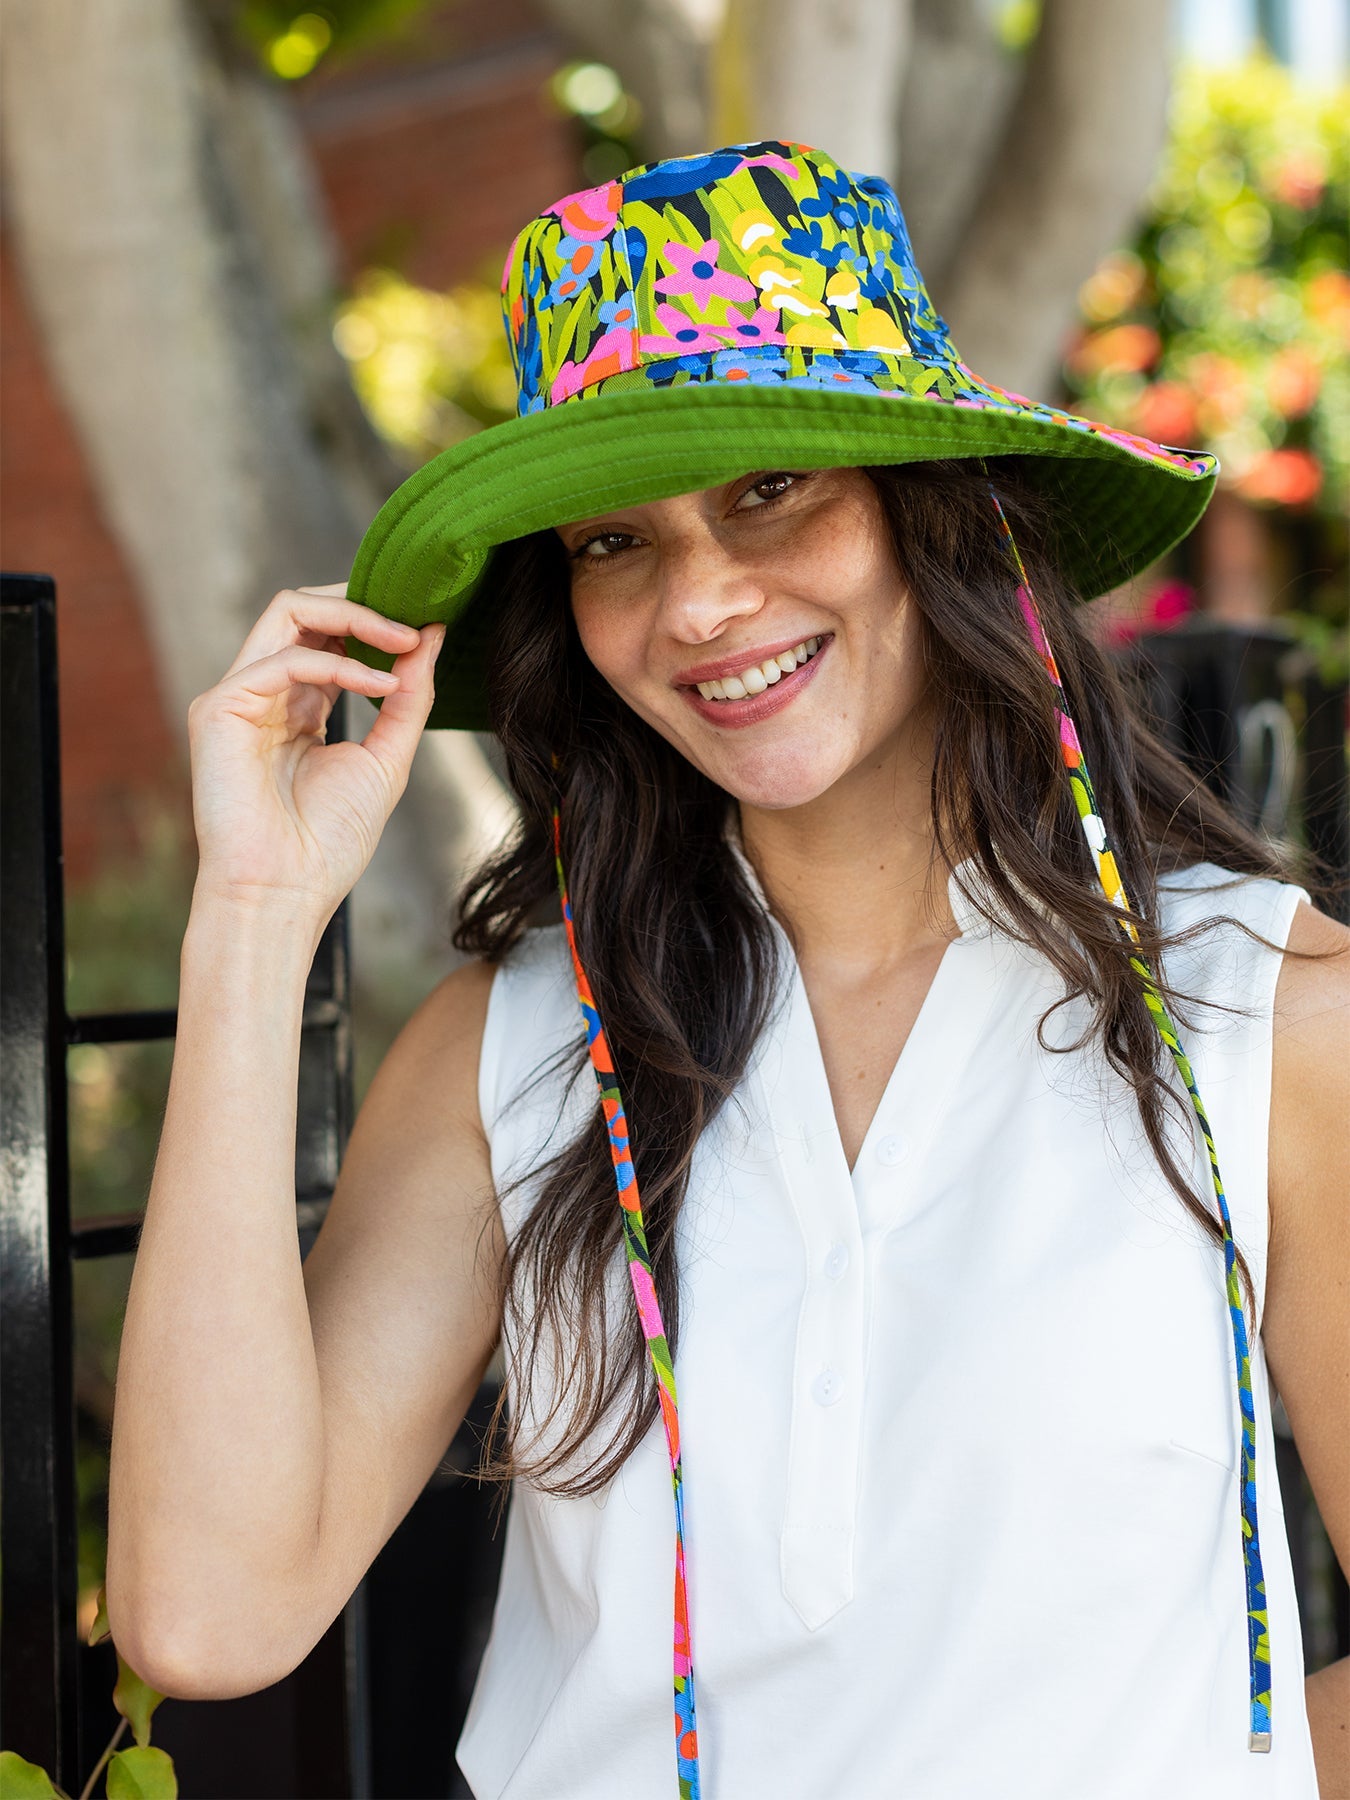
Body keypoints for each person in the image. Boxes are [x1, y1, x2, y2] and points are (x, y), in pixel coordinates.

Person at [106, 142, 1348, 1799]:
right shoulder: (515, 1048)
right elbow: (205, 1616)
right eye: (614, 541)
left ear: (940, 516)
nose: (697, 600)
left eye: (771, 491)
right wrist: (255, 915)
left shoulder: (1265, 1016)